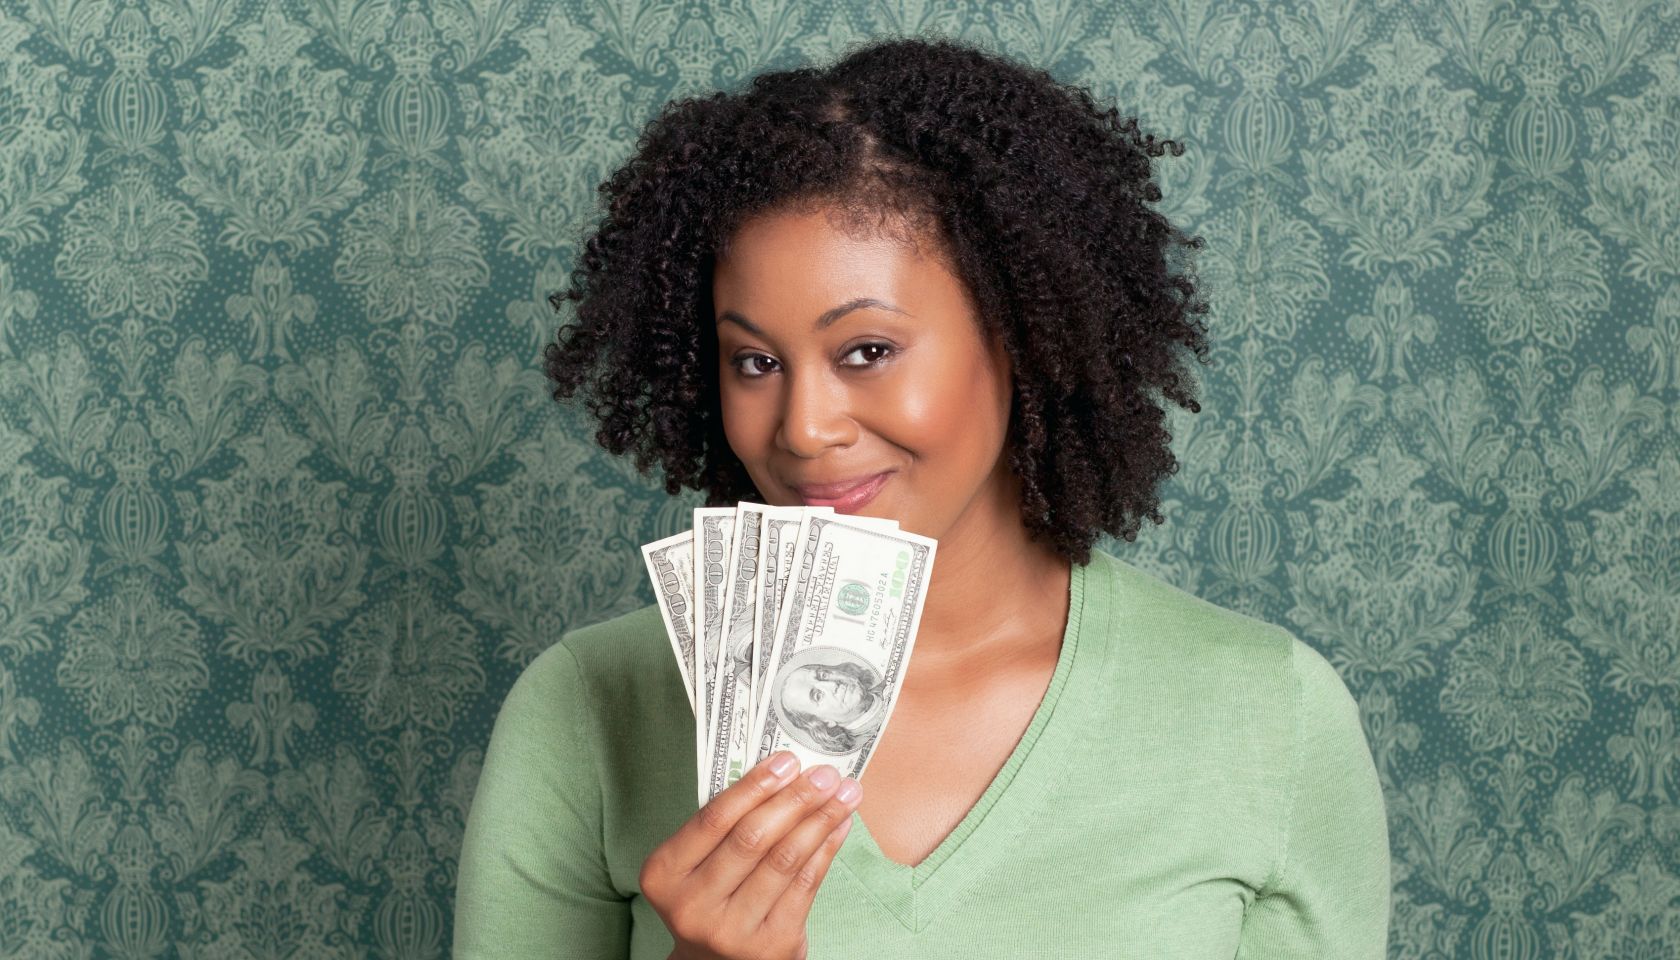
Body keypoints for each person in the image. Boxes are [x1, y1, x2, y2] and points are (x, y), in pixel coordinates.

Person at [454, 34, 1390, 959]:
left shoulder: (1272, 715)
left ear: (1021, 335)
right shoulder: (587, 708)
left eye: (867, 350)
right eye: (757, 362)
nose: (803, 427)